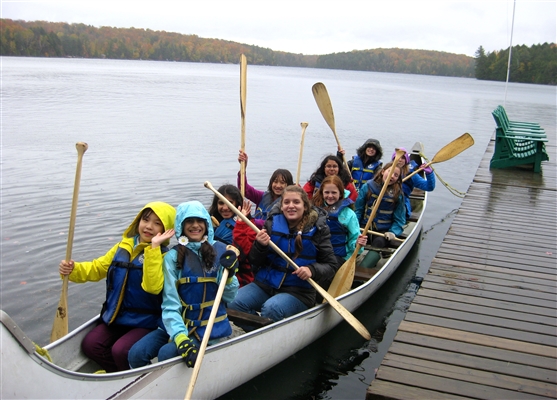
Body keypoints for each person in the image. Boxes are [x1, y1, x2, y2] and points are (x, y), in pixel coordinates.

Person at [58, 202, 176, 372]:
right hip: (118, 316)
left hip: (147, 321)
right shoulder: (123, 247)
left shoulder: (165, 257)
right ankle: (118, 376)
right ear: (138, 221)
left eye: (157, 223)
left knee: (121, 351)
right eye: (146, 220)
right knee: (91, 345)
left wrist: (153, 249)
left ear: (167, 230)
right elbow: (97, 268)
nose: (149, 227)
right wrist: (72, 269)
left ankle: (135, 381)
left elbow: (153, 287)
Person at [128, 201, 239, 369]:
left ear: (206, 224)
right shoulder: (172, 258)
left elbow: (230, 296)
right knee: (136, 354)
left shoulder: (221, 251)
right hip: (177, 325)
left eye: (199, 221)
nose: (195, 225)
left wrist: (230, 276)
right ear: (181, 225)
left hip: (208, 326)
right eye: (189, 221)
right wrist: (180, 338)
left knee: (167, 353)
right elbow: (170, 303)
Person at [227, 185, 337, 322]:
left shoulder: (319, 230)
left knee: (271, 308)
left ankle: (272, 334)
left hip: (298, 291)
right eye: (286, 202)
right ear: (281, 205)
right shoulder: (271, 224)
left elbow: (331, 266)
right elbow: (255, 261)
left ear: (305, 205)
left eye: (296, 202)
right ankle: (260, 333)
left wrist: (312, 270)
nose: (291, 206)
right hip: (265, 285)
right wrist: (260, 245)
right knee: (233, 302)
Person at [311, 175, 367, 270]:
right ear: (322, 193)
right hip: (318, 253)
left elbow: (354, 237)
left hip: (338, 256)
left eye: (334, 192)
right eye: (327, 192)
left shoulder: (349, 214)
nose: (330, 196)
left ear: (340, 193)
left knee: (325, 270)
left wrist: (358, 243)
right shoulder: (314, 210)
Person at [355, 161, 406, 255]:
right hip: (364, 226)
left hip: (383, 231)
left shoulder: (398, 194)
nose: (392, 176)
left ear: (398, 178)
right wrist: (355, 227)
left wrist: (393, 232)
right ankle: (354, 259)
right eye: (390, 172)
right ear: (383, 172)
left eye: (396, 175)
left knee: (378, 243)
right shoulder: (367, 187)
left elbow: (399, 219)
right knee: (356, 239)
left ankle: (367, 266)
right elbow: (358, 210)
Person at [237, 150, 294, 225]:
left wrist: (250, 220)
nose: (278, 185)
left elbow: (275, 223)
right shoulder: (262, 196)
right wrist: (243, 168)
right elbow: (244, 188)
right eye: (275, 181)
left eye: (282, 183)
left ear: (289, 185)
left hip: (269, 233)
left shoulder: (289, 203)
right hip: (253, 229)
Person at [392, 148, 435, 219]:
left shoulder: (411, 175)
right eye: (398, 157)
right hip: (386, 201)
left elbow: (429, 187)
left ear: (406, 161)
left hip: (402, 205)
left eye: (403, 158)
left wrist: (429, 174)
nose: (400, 160)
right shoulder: (387, 171)